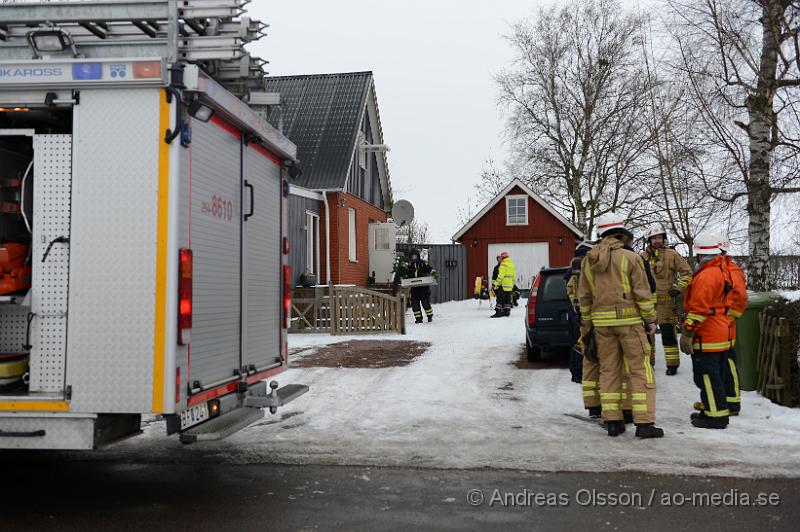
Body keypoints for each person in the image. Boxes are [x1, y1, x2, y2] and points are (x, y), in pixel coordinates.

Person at [577, 213, 663, 438]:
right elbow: (643, 294)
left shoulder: (588, 261)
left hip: (601, 326)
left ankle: (613, 421)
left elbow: (584, 298)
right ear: (622, 234)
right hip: (630, 324)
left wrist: (588, 325)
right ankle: (644, 424)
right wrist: (651, 320)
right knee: (639, 370)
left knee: (609, 370)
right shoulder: (631, 258)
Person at [680, 234, 734, 429]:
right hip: (720, 332)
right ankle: (710, 408)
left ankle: (716, 417)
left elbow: (699, 308)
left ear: (700, 253)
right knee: (714, 375)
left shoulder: (706, 275)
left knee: (707, 376)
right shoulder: (722, 269)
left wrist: (687, 331)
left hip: (708, 335)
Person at [640, 224, 693, 376]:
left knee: (668, 333)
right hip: (647, 303)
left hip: (666, 302)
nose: (657, 240)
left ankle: (672, 365)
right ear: (649, 240)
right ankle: (648, 363)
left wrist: (678, 288)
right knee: (647, 334)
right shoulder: (642, 257)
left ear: (663, 239)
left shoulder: (672, 255)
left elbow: (687, 273)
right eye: (654, 238)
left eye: (659, 237)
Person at [400, 249, 437, 323]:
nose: (414, 258)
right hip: (414, 289)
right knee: (414, 304)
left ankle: (430, 316)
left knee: (425, 304)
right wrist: (403, 276)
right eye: (412, 256)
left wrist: (433, 273)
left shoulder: (423, 264)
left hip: (424, 288)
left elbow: (430, 269)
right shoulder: (409, 266)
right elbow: (406, 274)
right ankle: (418, 318)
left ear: (418, 256)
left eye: (415, 256)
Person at [491, 251, 516, 318]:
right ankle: (507, 312)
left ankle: (498, 312)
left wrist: (495, 284)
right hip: (509, 286)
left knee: (500, 299)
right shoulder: (511, 264)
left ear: (502, 257)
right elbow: (514, 276)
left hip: (503, 285)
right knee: (507, 299)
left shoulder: (503, 264)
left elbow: (500, 276)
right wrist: (512, 284)